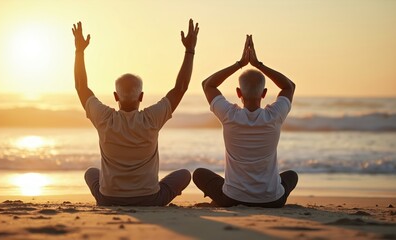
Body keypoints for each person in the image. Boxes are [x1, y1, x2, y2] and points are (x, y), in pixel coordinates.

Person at [72, 19, 199, 206]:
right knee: (185, 175)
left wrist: (79, 51)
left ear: (116, 96)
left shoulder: (104, 118)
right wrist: (190, 50)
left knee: (91, 173)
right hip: (150, 199)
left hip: (109, 198)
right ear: (141, 96)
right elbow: (180, 88)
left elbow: (81, 87)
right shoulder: (152, 118)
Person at [193, 35, 298, 208]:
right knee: (292, 176)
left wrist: (240, 64)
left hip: (232, 199)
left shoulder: (229, 115)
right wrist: (258, 64)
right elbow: (289, 87)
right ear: (264, 93)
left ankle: (218, 200)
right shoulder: (274, 116)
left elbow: (208, 85)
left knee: (199, 174)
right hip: (272, 200)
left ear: (238, 93)